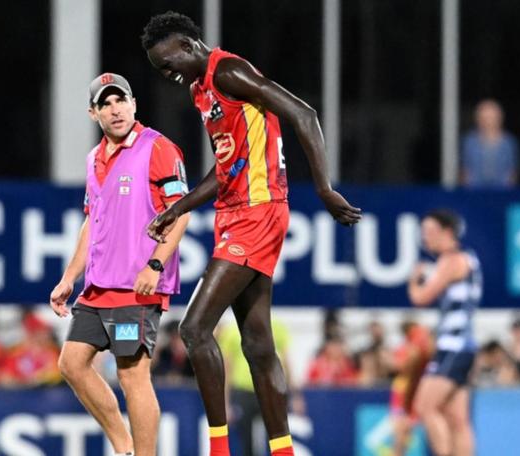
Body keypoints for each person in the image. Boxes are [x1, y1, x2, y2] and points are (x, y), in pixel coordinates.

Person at [141, 12, 361, 456]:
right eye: (160, 70)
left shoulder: (227, 71)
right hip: (234, 212)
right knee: (258, 344)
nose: (168, 75)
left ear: (187, 46)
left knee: (195, 328)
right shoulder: (200, 90)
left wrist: (323, 187)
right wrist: (178, 207)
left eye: (169, 64)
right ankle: (283, 451)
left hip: (258, 213)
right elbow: (226, 170)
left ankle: (218, 449)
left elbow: (304, 112)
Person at [49, 72, 190, 456]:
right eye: (106, 104)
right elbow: (92, 220)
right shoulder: (95, 158)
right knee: (72, 364)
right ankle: (124, 447)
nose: (116, 110)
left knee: (131, 374)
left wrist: (155, 266)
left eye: (121, 100)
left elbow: (181, 214)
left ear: (134, 104)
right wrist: (69, 278)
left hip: (136, 287)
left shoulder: (158, 148)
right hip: (98, 288)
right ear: (93, 113)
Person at [408, 209, 481, 456]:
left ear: (447, 233)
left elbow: (421, 297)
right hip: (465, 346)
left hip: (453, 346)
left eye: (430, 231)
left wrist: (415, 279)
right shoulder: (468, 259)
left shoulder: (451, 261)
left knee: (425, 406)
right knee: (457, 419)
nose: (425, 238)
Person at [218, 319, 304, 456]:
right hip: (246, 391)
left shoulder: (277, 327)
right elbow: (227, 369)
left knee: (277, 437)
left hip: (269, 389)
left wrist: (296, 395)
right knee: (249, 440)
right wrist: (226, 404)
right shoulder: (232, 331)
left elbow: (286, 363)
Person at [389, 321, 432, 456]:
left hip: (420, 390)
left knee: (423, 427)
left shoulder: (425, 348)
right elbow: (401, 368)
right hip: (402, 392)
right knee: (401, 430)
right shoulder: (405, 349)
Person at [460, 99, 520, 188]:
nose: (488, 122)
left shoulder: (509, 143)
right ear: (478, 119)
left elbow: (513, 171)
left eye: (491, 118)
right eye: (484, 118)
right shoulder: (469, 142)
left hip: (503, 194)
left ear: (499, 118)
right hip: (475, 194)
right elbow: (464, 171)